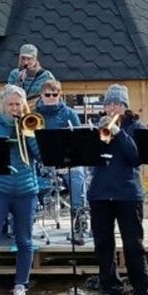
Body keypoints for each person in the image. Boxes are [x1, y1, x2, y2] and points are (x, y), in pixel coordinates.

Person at [87, 84, 148, 295]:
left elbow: (135, 157)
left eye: (116, 104)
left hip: (127, 193)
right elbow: (88, 156)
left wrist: (118, 133)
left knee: (133, 244)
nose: (112, 108)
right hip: (100, 193)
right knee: (103, 243)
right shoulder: (98, 126)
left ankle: (141, 290)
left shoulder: (135, 127)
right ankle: (109, 288)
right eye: (108, 104)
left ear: (125, 107)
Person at [0, 85, 40, 295]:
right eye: (11, 105)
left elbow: (41, 155)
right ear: (3, 106)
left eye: (18, 104)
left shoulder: (30, 126)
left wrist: (28, 133)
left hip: (26, 190)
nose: (15, 108)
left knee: (24, 240)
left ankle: (20, 285)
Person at [35, 79, 88, 242]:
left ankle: (79, 219)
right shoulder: (34, 115)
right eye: (47, 94)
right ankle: (23, 223)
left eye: (54, 94)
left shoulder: (69, 114)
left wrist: (68, 163)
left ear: (60, 95)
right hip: (41, 162)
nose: (51, 97)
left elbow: (78, 141)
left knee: (77, 176)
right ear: (41, 95)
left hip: (66, 162)